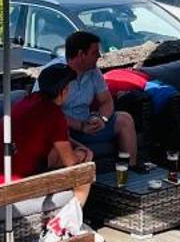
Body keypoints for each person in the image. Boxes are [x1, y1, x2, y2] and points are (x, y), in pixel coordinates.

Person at [0, 62, 93, 211]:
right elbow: (70, 162)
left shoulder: (29, 100)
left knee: (59, 155)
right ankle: (72, 218)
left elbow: (59, 138)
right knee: (83, 172)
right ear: (63, 91)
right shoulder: (53, 114)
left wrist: (77, 146)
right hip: (7, 185)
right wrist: (82, 153)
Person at [50, 29, 140, 164]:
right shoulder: (55, 73)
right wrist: (79, 126)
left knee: (124, 119)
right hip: (64, 131)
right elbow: (49, 113)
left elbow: (107, 101)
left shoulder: (93, 71)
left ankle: (130, 170)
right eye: (94, 52)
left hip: (89, 125)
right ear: (81, 54)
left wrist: (101, 118)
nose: (99, 56)